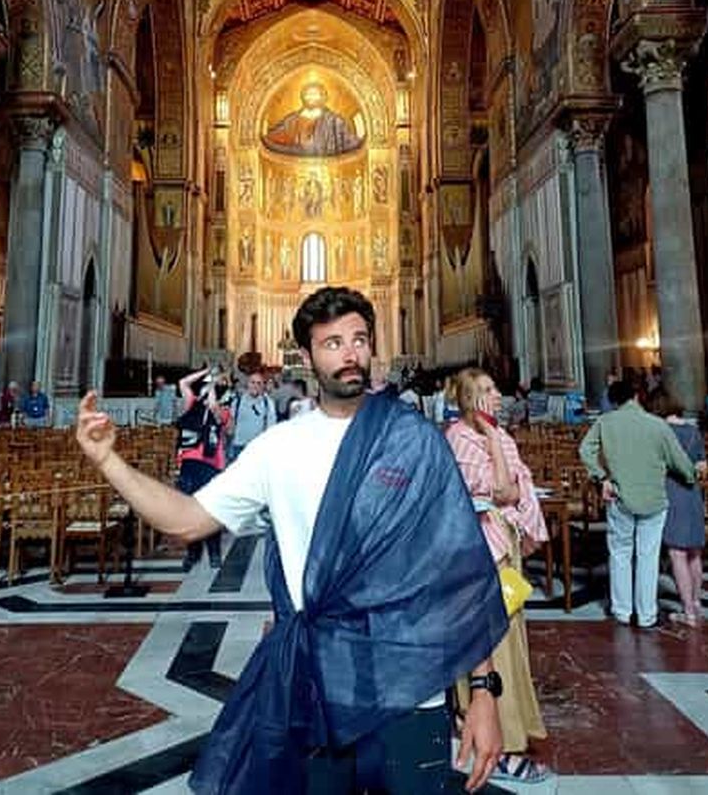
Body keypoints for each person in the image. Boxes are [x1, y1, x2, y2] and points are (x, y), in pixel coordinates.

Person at [77, 286, 509, 795]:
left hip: (411, 686)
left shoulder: (414, 438)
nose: (350, 355)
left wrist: (483, 690)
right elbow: (187, 520)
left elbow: (454, 568)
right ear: (306, 356)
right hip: (317, 684)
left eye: (359, 340)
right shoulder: (278, 448)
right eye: (332, 343)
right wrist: (108, 462)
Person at [446, 368, 551, 785]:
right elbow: (505, 491)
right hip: (480, 549)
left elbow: (516, 489)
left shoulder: (499, 436)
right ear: (469, 399)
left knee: (510, 635)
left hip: (504, 542)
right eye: (487, 390)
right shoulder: (461, 438)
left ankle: (511, 729)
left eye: (495, 388)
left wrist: (496, 439)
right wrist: (491, 437)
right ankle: (494, 742)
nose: (497, 396)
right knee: (492, 642)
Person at [579, 379, 697, 629]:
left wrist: (601, 477)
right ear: (636, 396)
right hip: (653, 498)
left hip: (619, 496)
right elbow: (679, 460)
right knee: (648, 556)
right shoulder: (657, 424)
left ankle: (622, 611)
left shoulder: (605, 422)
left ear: (613, 401)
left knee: (620, 554)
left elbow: (585, 450)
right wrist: (690, 475)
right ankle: (646, 615)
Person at [652, 395, 706, 627]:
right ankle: (696, 603)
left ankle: (688, 613)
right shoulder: (694, 432)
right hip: (693, 494)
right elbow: (702, 465)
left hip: (672, 492)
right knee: (694, 553)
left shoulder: (661, 432)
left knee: (677, 553)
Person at [175, 368, 231, 571]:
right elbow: (183, 383)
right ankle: (193, 552)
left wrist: (213, 384)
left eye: (211, 389)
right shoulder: (193, 405)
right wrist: (206, 371)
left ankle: (214, 552)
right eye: (205, 389)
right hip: (190, 464)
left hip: (210, 465)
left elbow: (214, 407)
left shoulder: (223, 411)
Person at [261, 81, 365, 157]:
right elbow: (273, 138)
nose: (311, 97)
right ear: (303, 97)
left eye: (315, 94)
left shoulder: (334, 121)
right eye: (308, 94)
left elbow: (350, 142)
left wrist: (360, 137)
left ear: (322, 97)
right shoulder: (291, 120)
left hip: (329, 166)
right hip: (294, 165)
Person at [227, 370, 276, 461]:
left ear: (263, 386)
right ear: (247, 384)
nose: (255, 386)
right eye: (252, 382)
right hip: (239, 446)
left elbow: (271, 428)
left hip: (258, 448)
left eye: (259, 383)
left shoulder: (268, 403)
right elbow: (231, 423)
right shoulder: (238, 401)